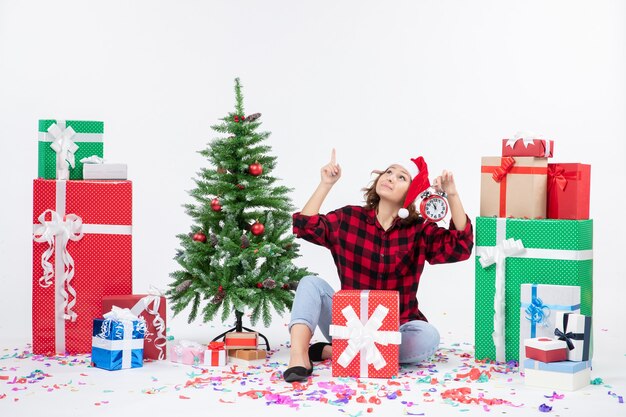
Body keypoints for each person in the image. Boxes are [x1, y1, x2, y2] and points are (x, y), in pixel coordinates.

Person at [283, 149, 474, 383]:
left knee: (428, 337)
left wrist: (452, 194)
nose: (391, 177)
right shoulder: (349, 218)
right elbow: (306, 226)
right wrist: (326, 184)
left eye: (401, 177)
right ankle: (299, 356)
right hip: (349, 324)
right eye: (388, 172)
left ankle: (338, 352)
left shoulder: (419, 231)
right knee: (310, 283)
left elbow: (460, 247)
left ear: (411, 193)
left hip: (395, 330)